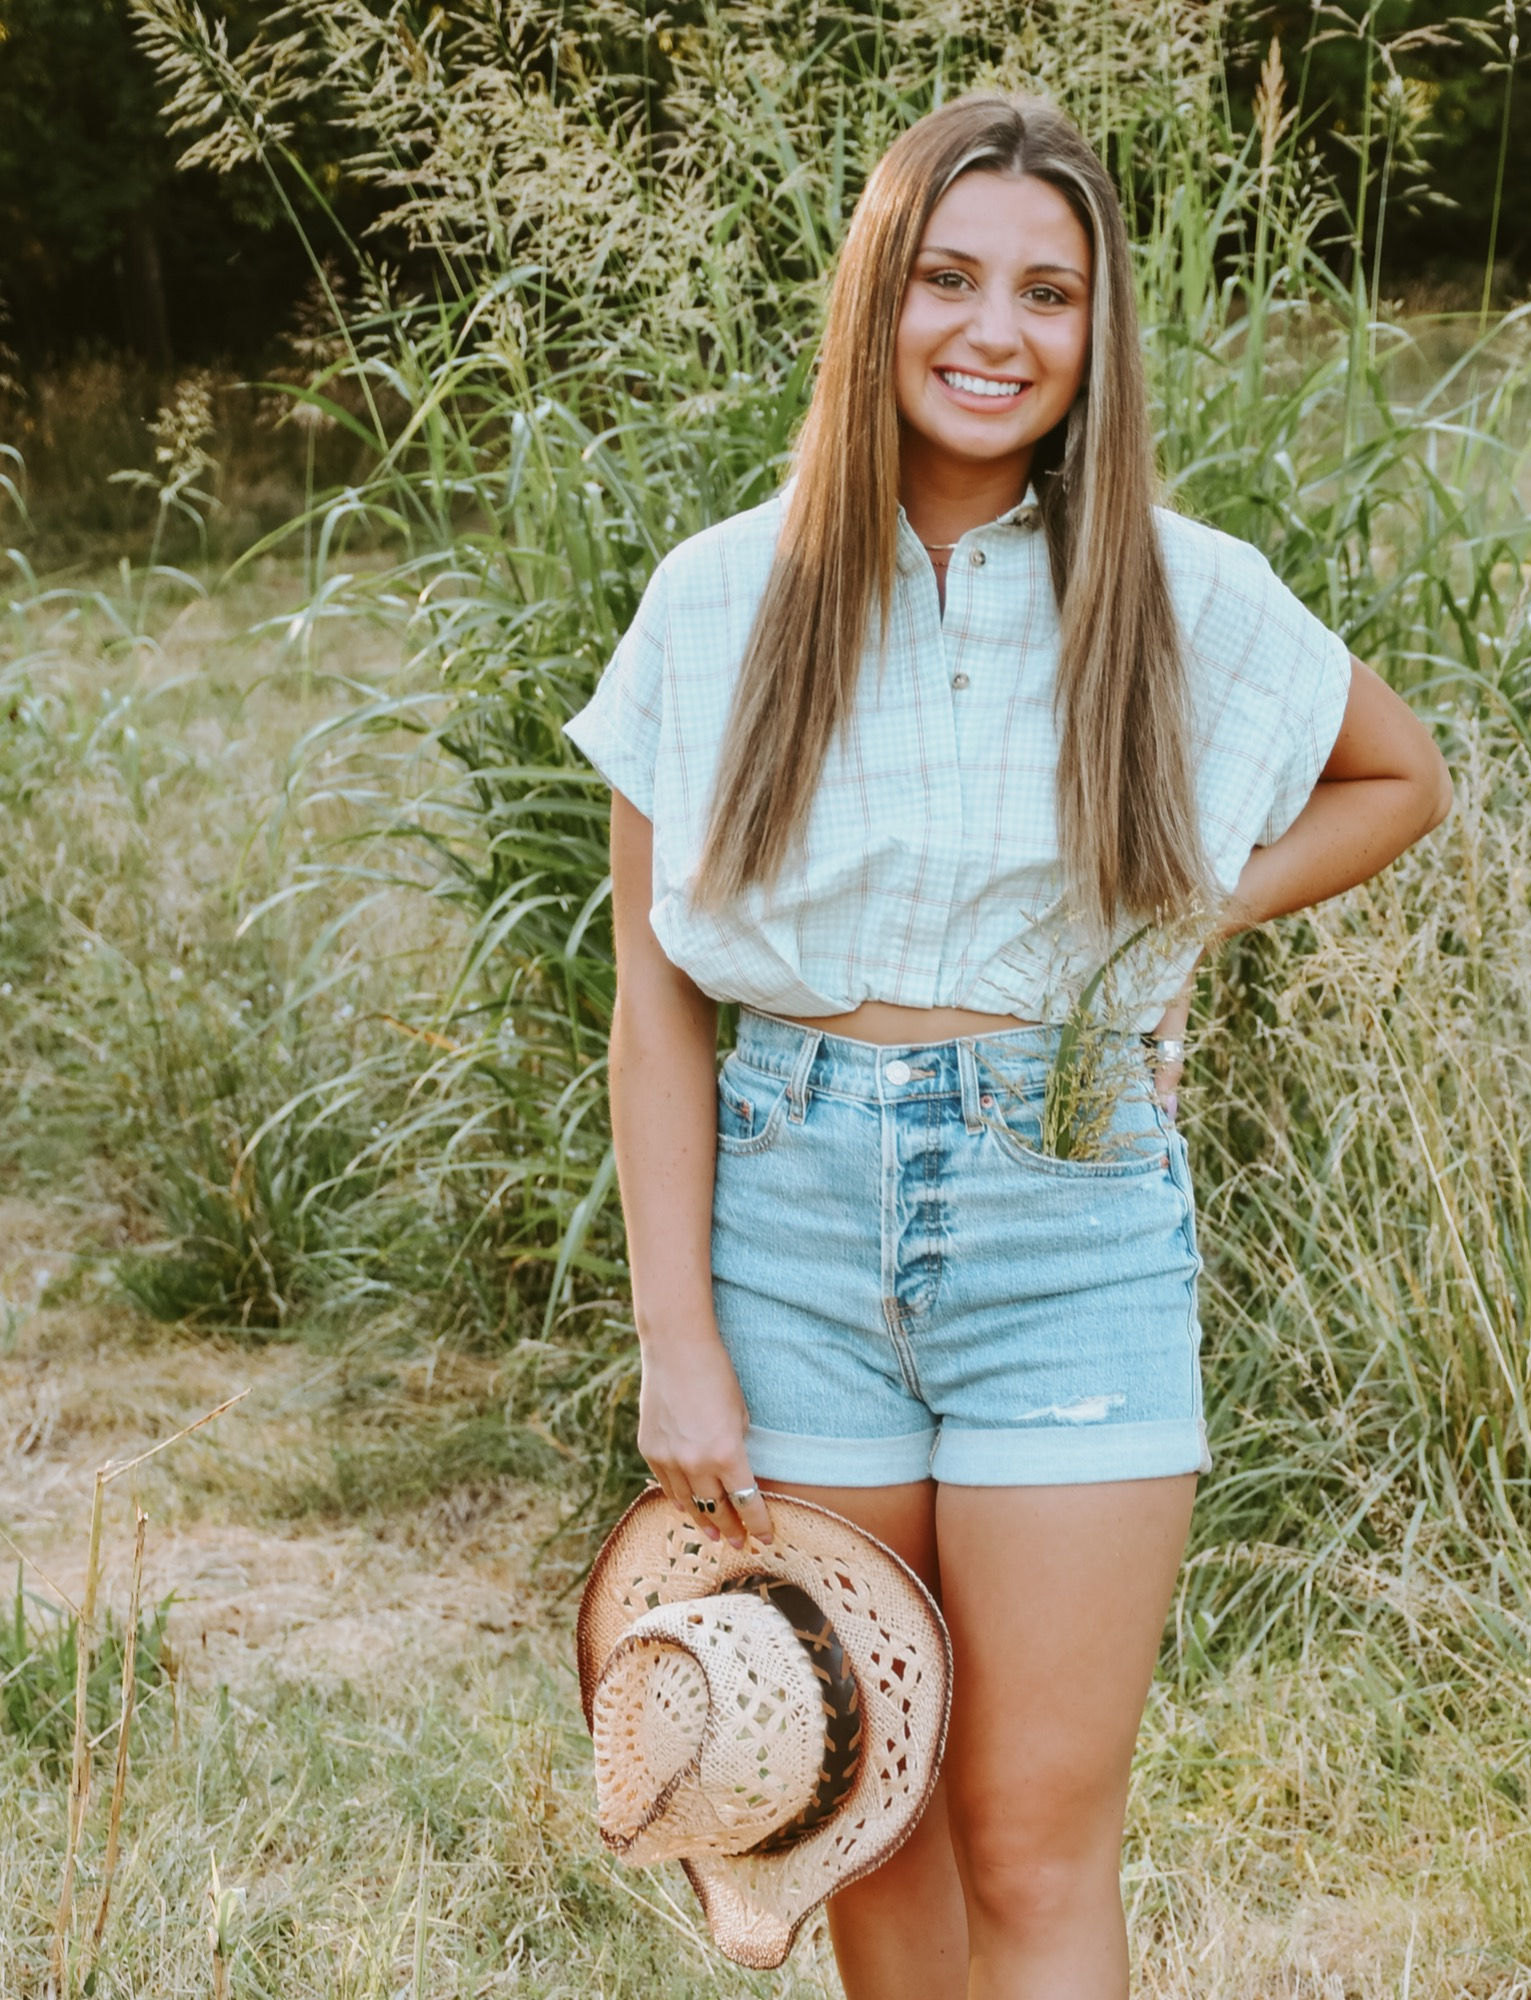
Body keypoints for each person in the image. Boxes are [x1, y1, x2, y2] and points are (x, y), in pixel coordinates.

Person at [566, 92, 1452, 2000]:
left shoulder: (1170, 583)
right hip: (788, 1227)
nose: (996, 332)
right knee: (867, 1802)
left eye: (1049, 292)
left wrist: (1178, 904)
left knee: (1033, 1830)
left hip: (1068, 1217)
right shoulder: (721, 597)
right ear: (878, 300)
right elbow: (656, 1000)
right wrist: (679, 1342)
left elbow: (1400, 777)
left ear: (1097, 332)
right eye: (951, 278)